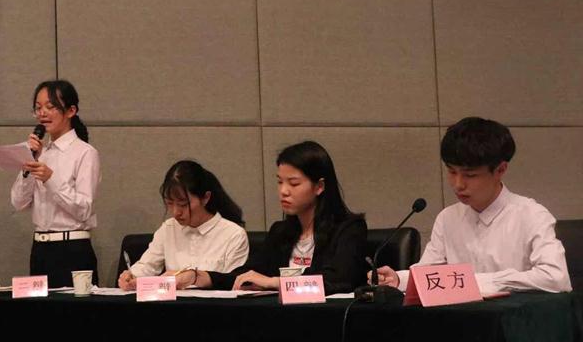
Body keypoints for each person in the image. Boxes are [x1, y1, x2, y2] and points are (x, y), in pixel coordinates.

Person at [371, 117, 572, 294]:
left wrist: (483, 281)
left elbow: (556, 277)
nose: (458, 184)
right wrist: (399, 279)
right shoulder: (448, 218)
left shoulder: (531, 215)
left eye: (470, 175)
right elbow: (430, 275)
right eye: (452, 172)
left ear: (500, 170)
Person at [172, 141, 368, 295]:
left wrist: (274, 282)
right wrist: (199, 277)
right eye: (280, 182)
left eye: (293, 183)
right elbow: (249, 274)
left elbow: (339, 280)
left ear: (319, 186)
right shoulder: (281, 232)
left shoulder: (349, 228)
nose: (283, 191)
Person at [11, 80, 101, 288]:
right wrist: (27, 165)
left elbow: (84, 209)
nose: (43, 113)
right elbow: (18, 203)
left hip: (72, 250)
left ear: (71, 111)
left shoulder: (85, 153)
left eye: (50, 107)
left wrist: (51, 179)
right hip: (40, 249)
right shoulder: (40, 153)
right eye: (38, 108)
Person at [118, 160, 249, 290]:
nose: (176, 212)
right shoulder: (168, 228)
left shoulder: (233, 234)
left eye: (183, 204)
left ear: (205, 198)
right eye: (169, 203)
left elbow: (234, 283)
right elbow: (147, 266)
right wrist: (131, 276)